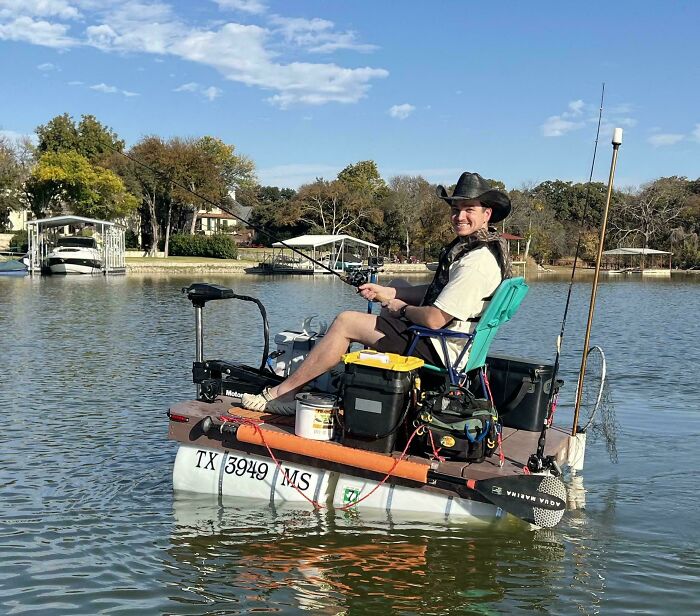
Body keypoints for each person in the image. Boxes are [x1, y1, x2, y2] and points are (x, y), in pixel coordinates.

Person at [242, 172, 512, 415]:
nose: (459, 216)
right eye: (455, 208)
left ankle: (285, 392)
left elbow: (434, 319)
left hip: (441, 347)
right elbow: (434, 292)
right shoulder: (481, 248)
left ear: (487, 213)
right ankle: (369, 377)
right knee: (398, 281)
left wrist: (399, 307)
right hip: (453, 342)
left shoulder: (476, 262)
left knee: (347, 321)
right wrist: (389, 290)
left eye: (469, 209)